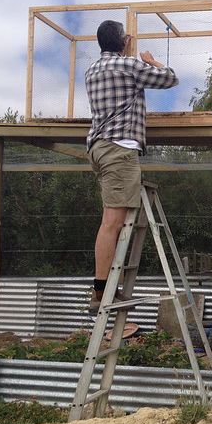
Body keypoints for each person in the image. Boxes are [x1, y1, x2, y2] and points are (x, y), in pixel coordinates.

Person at [86, 20, 179, 315]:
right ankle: (102, 294)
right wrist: (151, 61)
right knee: (112, 223)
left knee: (113, 221)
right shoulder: (128, 66)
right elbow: (170, 78)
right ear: (124, 42)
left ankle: (105, 289)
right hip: (119, 150)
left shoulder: (92, 70)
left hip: (100, 147)